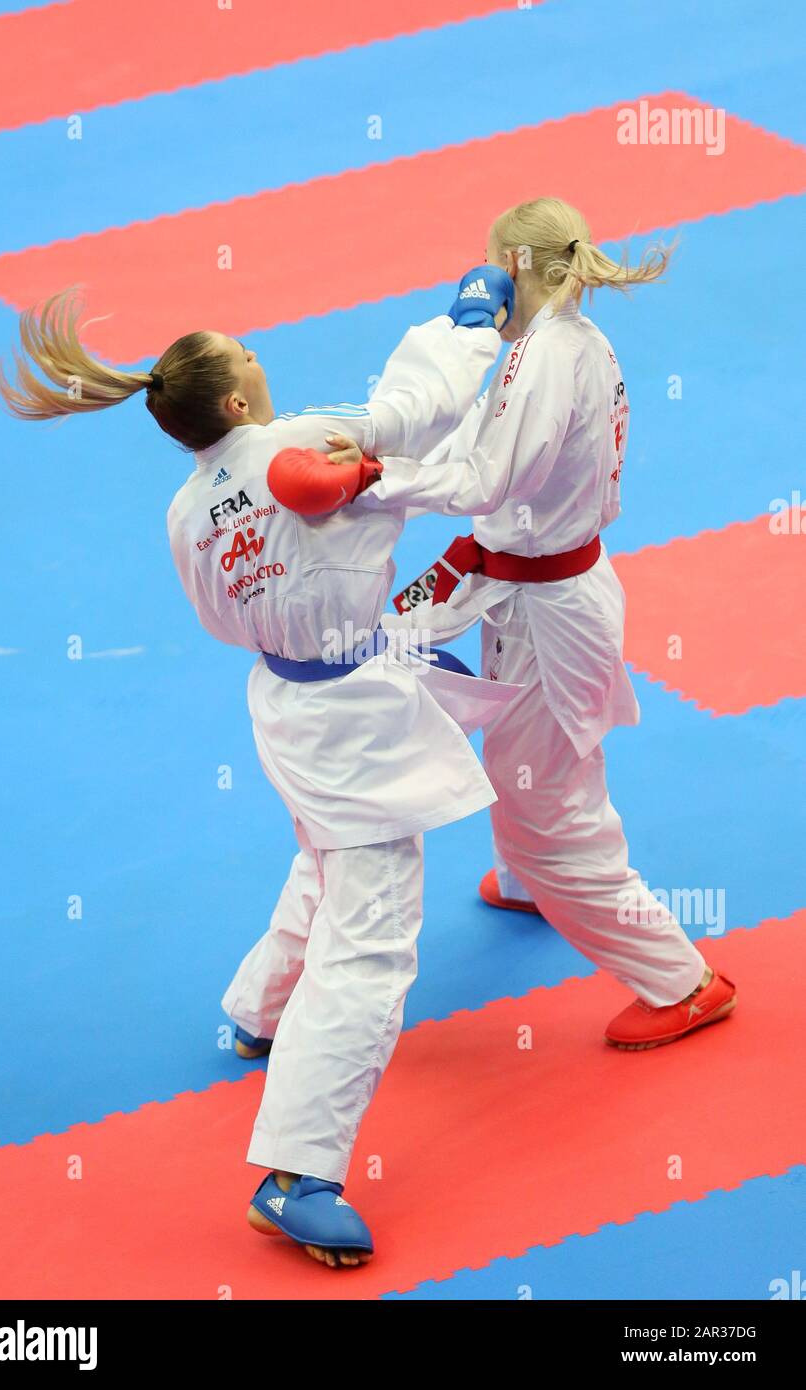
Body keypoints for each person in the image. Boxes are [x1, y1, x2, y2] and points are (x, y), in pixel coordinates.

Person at [0, 270, 517, 1268]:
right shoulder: (300, 445)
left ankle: (255, 1011)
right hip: (350, 718)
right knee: (370, 940)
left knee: (323, 861)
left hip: (284, 702)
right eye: (250, 353)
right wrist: (462, 325)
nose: (263, 355)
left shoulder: (186, 508)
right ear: (236, 399)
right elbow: (414, 409)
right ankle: (296, 1175)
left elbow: (215, 609)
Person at [297, 197, 737, 1055]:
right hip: (536, 587)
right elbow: (473, 435)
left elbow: (488, 482)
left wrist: (378, 480)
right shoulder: (552, 344)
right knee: (538, 757)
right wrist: (377, 447)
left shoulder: (549, 360)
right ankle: (531, 879)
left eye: (492, 259)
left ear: (518, 265)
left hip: (548, 602)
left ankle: (681, 980)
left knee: (546, 797)